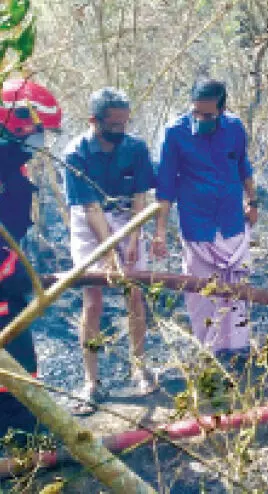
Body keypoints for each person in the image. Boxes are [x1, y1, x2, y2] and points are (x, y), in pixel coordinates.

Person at [63, 88, 155, 415]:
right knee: (94, 298)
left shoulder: (137, 148)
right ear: (94, 121)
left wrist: (132, 239)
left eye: (124, 124)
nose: (120, 130)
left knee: (134, 292)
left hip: (128, 216)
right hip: (90, 220)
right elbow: (90, 209)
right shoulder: (75, 153)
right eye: (113, 125)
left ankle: (139, 366)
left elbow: (141, 197)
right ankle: (92, 380)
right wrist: (109, 254)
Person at [152, 79, 258, 354]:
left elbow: (243, 165)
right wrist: (160, 232)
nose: (200, 119)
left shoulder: (234, 128)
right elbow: (165, 186)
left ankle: (237, 348)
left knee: (237, 287)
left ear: (222, 110)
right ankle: (210, 350)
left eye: (208, 115)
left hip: (232, 222)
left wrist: (253, 200)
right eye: (196, 112)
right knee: (202, 294)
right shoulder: (175, 133)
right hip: (197, 226)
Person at [0, 77, 61, 436]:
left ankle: (24, 434)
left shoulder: (14, 170)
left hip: (8, 288)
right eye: (34, 136)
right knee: (14, 369)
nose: (38, 145)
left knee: (21, 369)